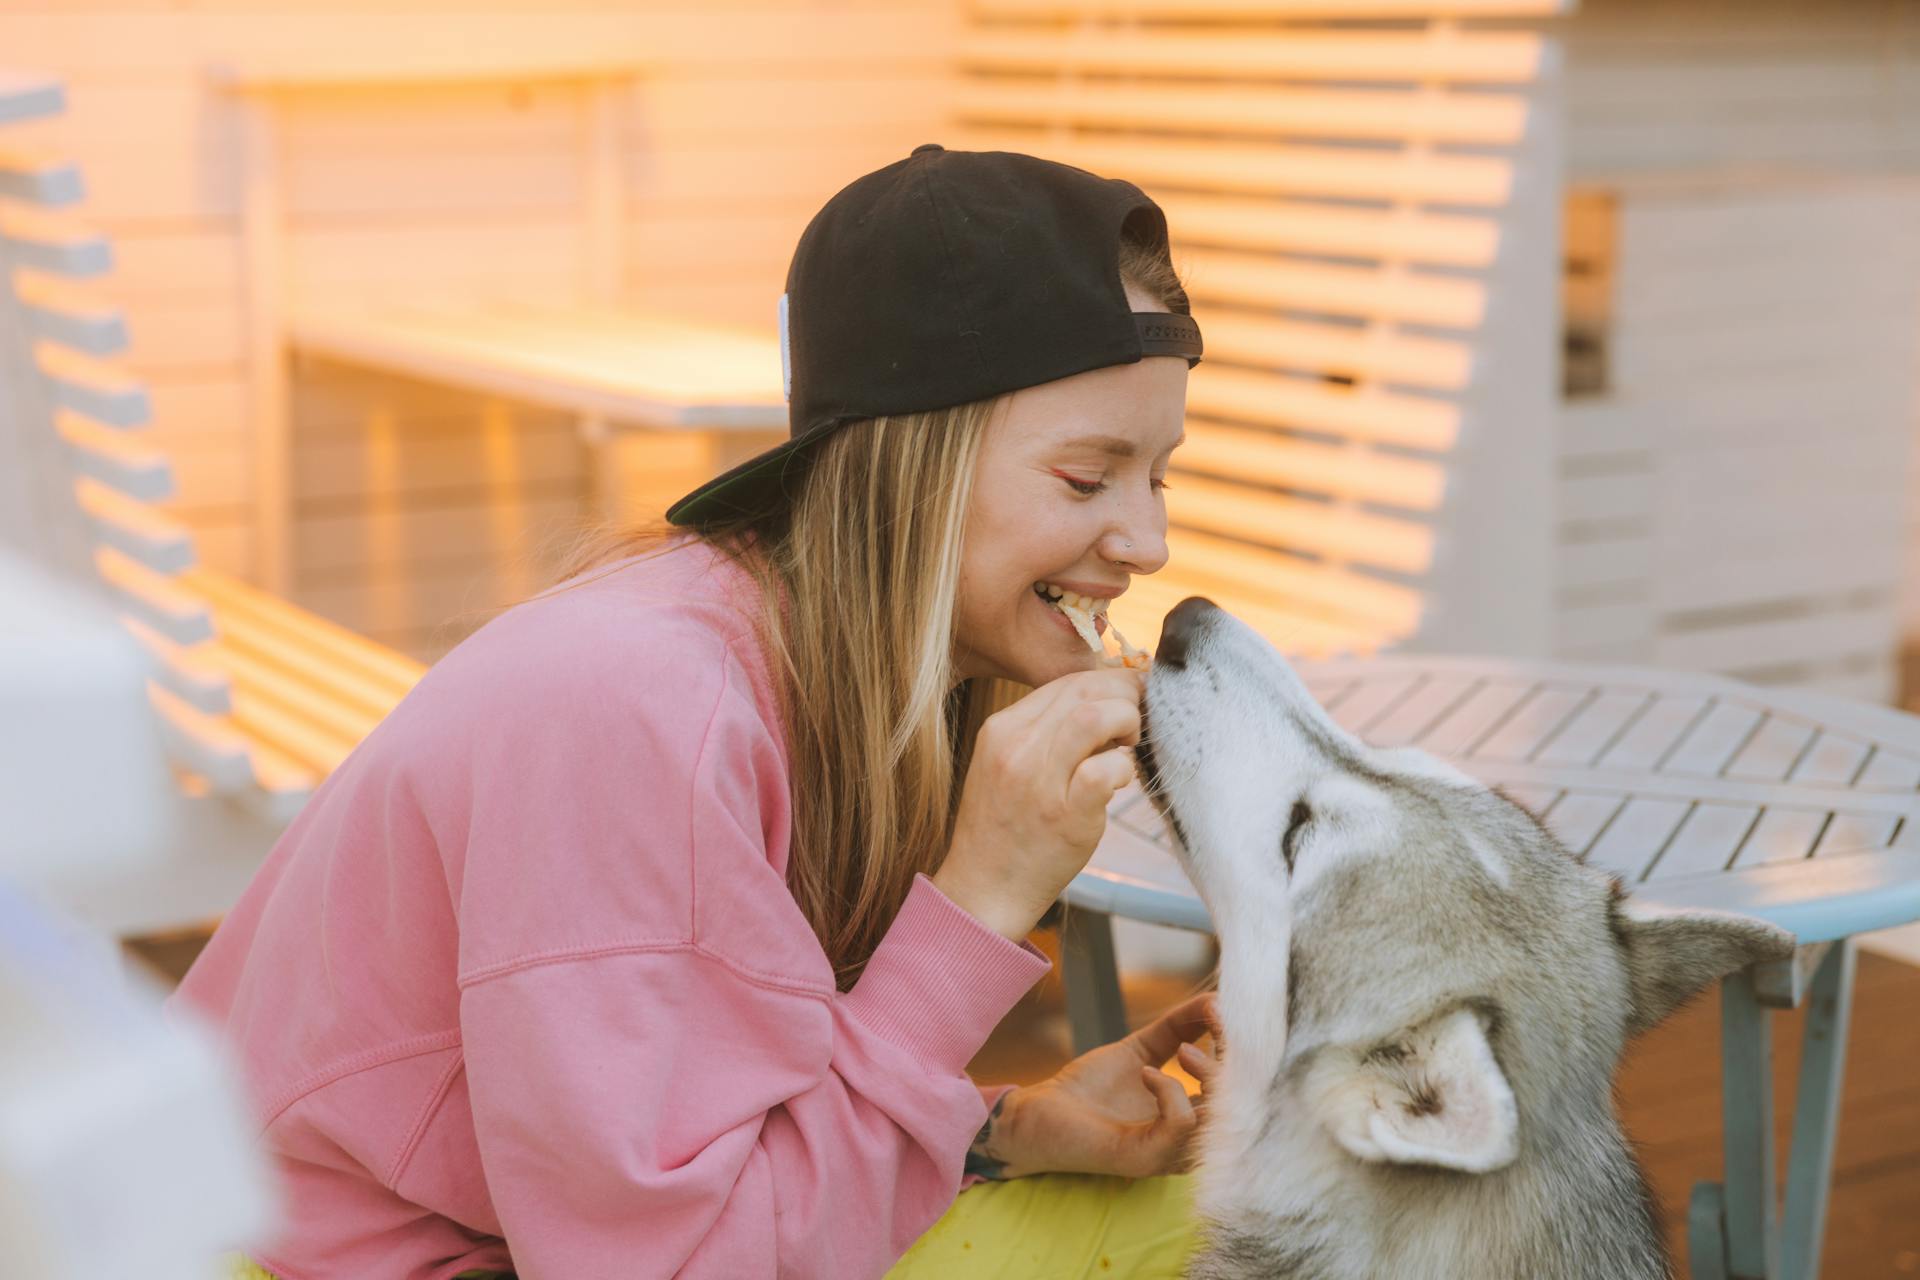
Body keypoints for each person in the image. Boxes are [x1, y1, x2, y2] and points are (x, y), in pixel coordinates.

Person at [174, 143, 1218, 1279]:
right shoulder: (638, 716)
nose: (1148, 542)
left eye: (1157, 475)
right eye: (1085, 477)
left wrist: (995, 1129)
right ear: (908, 465)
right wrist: (978, 899)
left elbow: (713, 1118)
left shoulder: (796, 659)